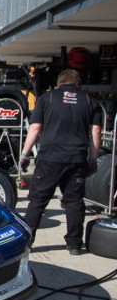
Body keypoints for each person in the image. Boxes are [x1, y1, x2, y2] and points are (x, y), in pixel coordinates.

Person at [19, 69, 102, 254]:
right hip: (76, 159)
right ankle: (73, 245)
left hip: (49, 158)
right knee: (74, 202)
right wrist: (93, 159)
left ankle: (26, 243)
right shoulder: (90, 101)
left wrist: (24, 155)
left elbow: (35, 128)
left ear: (59, 84)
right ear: (78, 84)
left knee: (37, 202)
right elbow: (95, 132)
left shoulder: (46, 98)